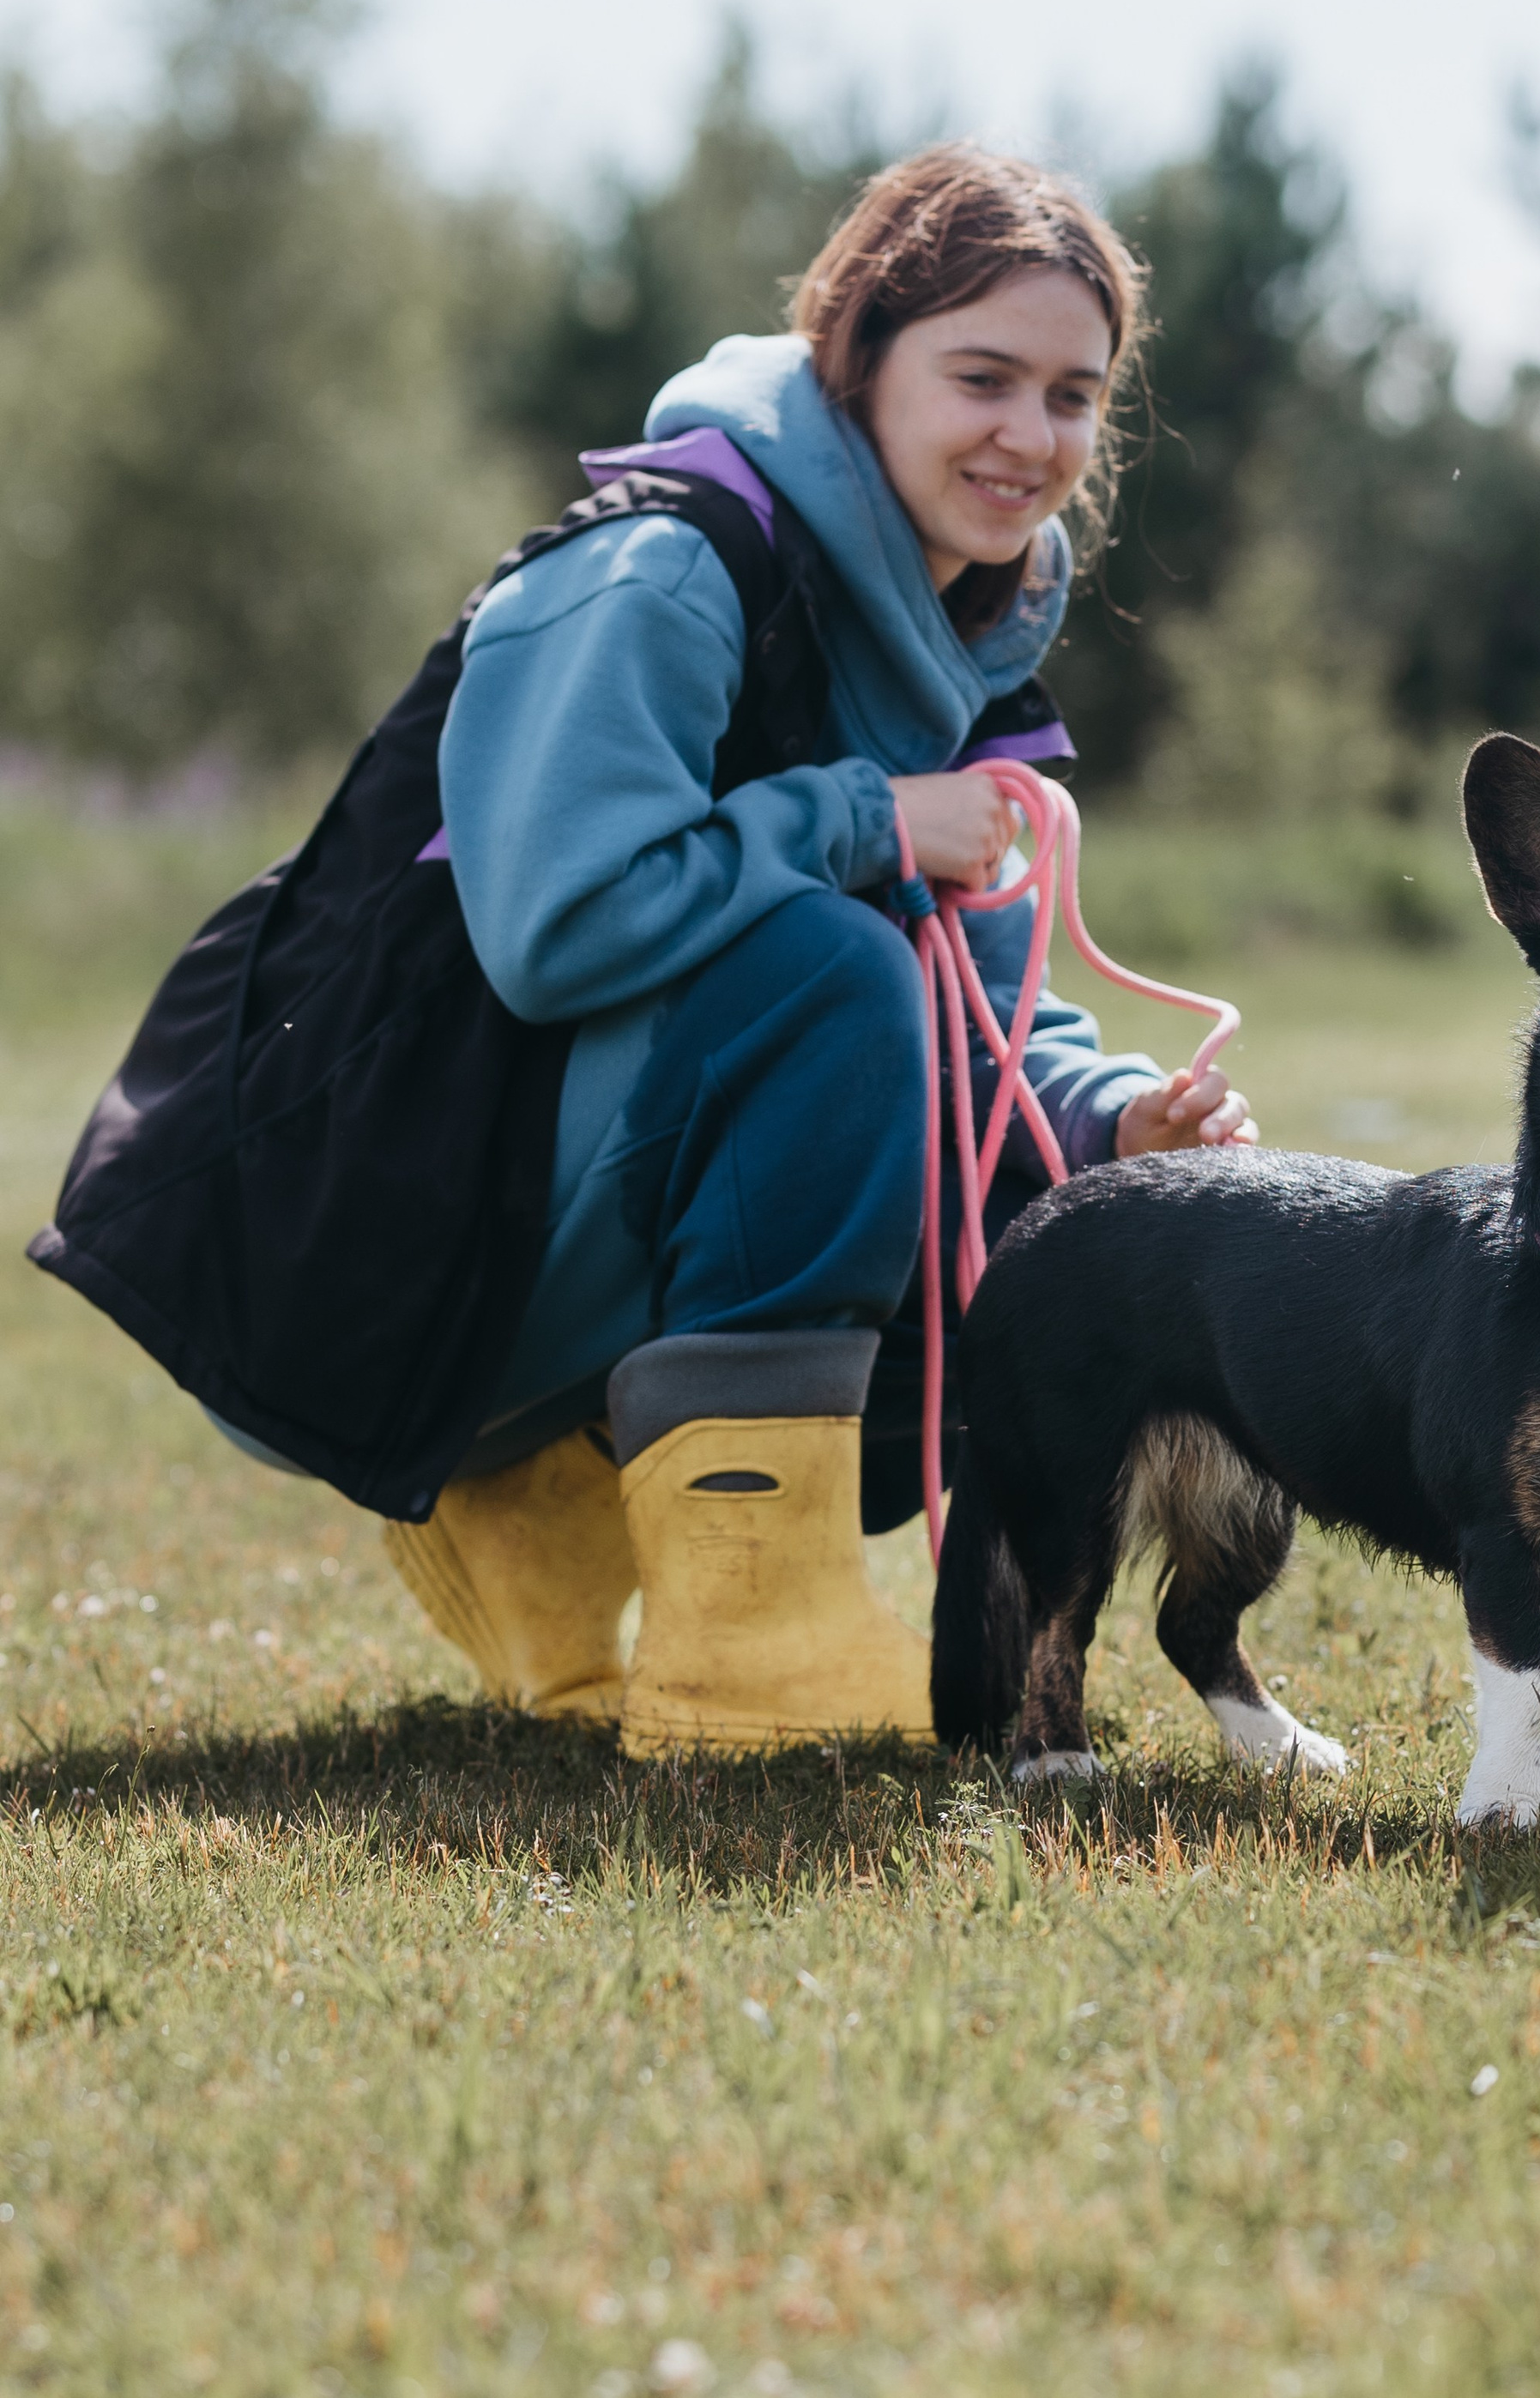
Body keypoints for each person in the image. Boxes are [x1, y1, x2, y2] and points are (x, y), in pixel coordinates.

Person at [377, 146, 1256, 1755]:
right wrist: (863, 818)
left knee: (1014, 1219)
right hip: (423, 1225)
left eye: (1073, 395)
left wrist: (1108, 1121)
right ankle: (742, 1641)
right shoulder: (659, 569)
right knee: (831, 977)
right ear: (857, 359)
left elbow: (976, 1016)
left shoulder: (967, 651)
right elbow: (553, 927)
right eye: (980, 375)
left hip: (600, 1206)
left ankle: (538, 1510)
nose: (1029, 434)